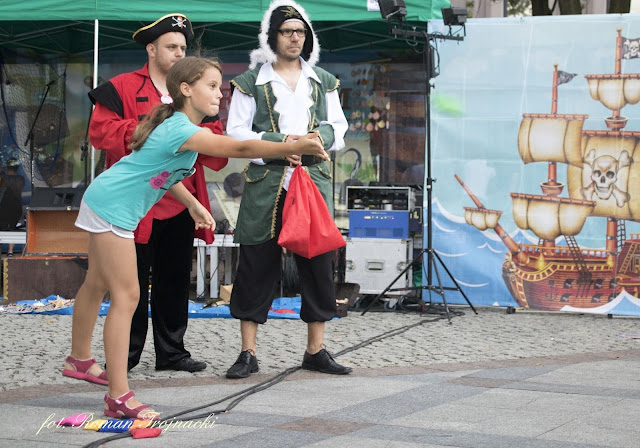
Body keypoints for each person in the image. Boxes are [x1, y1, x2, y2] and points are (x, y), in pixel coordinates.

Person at [63, 56, 329, 420]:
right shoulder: (182, 129)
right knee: (127, 296)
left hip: (106, 201)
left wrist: (191, 203)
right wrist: (291, 146)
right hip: (113, 209)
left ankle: (79, 359)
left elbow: (160, 171)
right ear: (186, 89)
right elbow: (239, 149)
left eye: (220, 87)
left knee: (96, 284)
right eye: (212, 86)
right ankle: (118, 396)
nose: (220, 94)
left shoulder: (179, 126)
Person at [87, 14, 227, 373]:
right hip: (134, 205)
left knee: (175, 279)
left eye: (183, 48)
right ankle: (126, 356)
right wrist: (151, 131)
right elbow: (100, 132)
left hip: (179, 201)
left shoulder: (198, 89)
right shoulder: (119, 86)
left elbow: (217, 144)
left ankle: (172, 352)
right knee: (128, 284)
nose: (179, 53)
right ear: (151, 49)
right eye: (172, 47)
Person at [225, 0, 351, 379]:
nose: (295, 38)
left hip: (310, 182)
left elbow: (338, 127)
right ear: (273, 37)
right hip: (267, 183)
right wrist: (283, 144)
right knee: (256, 263)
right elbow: (236, 133)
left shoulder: (323, 80)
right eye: (287, 31)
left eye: (300, 32)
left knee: (318, 263)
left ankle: (316, 350)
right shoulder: (250, 83)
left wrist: (314, 139)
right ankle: (248, 352)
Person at [1, 158, 26, 256]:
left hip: (4, 207)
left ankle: (10, 251)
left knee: (6, 227)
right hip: (17, 206)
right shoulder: (20, 179)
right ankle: (15, 251)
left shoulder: (3, 178)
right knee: (17, 228)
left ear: (7, 167)